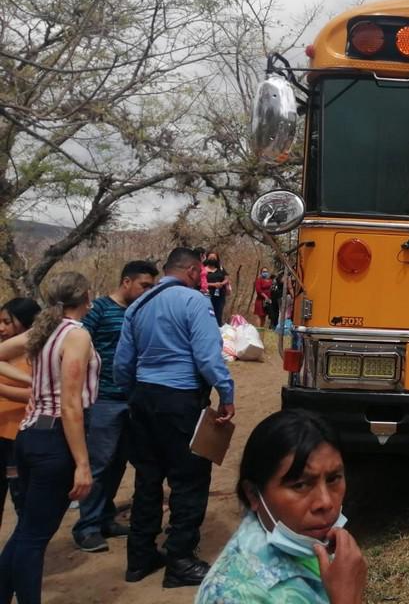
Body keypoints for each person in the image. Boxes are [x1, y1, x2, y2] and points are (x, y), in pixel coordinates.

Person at [114, 247, 236, 588]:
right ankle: (180, 559)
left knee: (148, 478)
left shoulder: (137, 305)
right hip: (181, 401)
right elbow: (207, 357)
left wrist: (135, 395)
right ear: (194, 271)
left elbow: (122, 364)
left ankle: (140, 557)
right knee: (189, 480)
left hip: (143, 399)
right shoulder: (195, 302)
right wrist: (226, 394)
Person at [197, 410, 367, 604]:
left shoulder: (315, 543)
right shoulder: (233, 594)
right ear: (253, 494)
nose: (325, 502)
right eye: (300, 485)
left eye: (333, 479)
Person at [0, 272, 99, 604]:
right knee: (34, 537)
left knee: (27, 530)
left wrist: (32, 389)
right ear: (87, 297)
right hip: (56, 439)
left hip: (29, 435)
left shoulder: (44, 331)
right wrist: (82, 464)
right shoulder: (76, 335)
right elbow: (70, 404)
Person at [71, 259, 158, 553]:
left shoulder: (141, 312)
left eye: (152, 286)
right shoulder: (98, 309)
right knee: (99, 463)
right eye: (144, 285)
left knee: (119, 462)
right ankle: (86, 528)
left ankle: (105, 518)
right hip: (103, 398)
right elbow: (78, 347)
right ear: (126, 282)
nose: (148, 291)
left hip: (132, 398)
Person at [0, 298, 41, 527]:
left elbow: (37, 394)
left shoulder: (38, 353)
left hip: (21, 436)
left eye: (7, 322)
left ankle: (23, 545)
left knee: (21, 496)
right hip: (1, 434)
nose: (1, 328)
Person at [205, 252, 230, 327]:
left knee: (218, 314)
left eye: (214, 258)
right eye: (210, 258)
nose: (212, 259)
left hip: (220, 295)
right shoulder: (203, 269)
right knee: (208, 314)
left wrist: (221, 283)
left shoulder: (221, 269)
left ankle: (218, 329)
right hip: (207, 295)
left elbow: (227, 278)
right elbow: (200, 282)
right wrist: (213, 284)